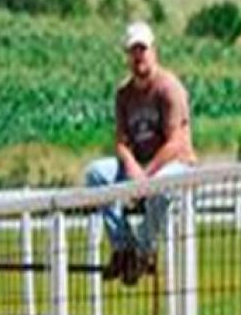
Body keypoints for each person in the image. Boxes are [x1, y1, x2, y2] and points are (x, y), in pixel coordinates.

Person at [84, 21, 196, 284]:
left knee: (162, 186)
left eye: (142, 50)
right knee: (96, 174)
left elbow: (176, 142)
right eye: (133, 51)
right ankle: (124, 247)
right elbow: (122, 142)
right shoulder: (123, 94)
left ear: (153, 51)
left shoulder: (169, 88)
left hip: (172, 163)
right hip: (141, 166)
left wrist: (145, 177)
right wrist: (132, 168)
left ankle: (145, 250)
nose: (138, 57)